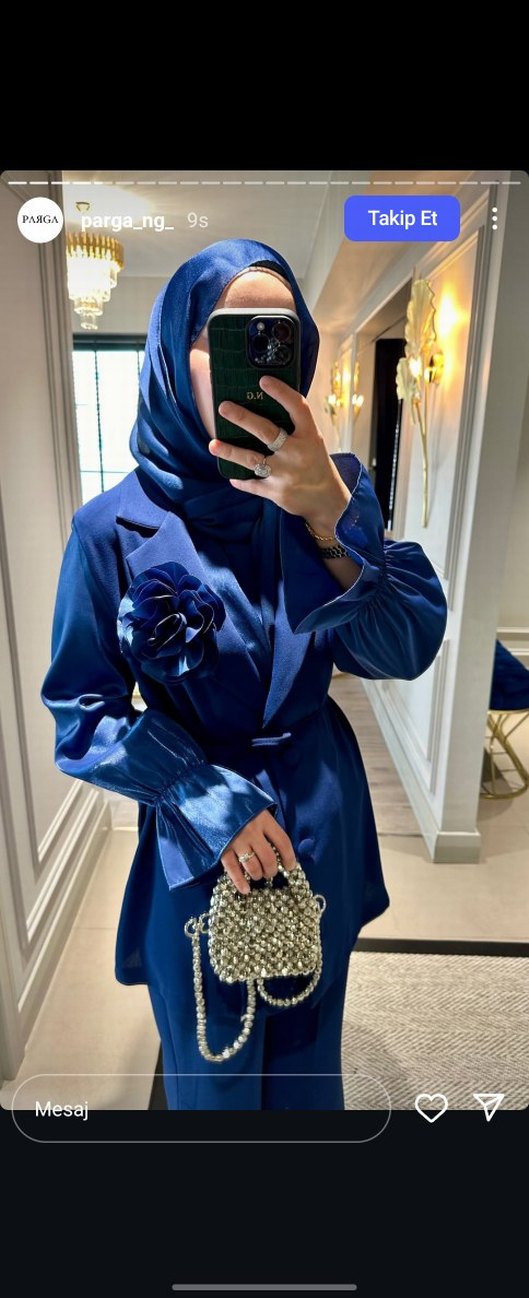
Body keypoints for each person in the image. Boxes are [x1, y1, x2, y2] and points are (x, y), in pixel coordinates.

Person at [41, 238, 448, 1111]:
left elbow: (402, 650)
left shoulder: (331, 495)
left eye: (280, 335)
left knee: (308, 1051)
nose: (260, 359)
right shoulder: (110, 529)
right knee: (210, 1061)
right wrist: (197, 793)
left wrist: (328, 512)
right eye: (227, 336)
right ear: (171, 353)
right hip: (195, 824)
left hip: (320, 804)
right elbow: (81, 710)